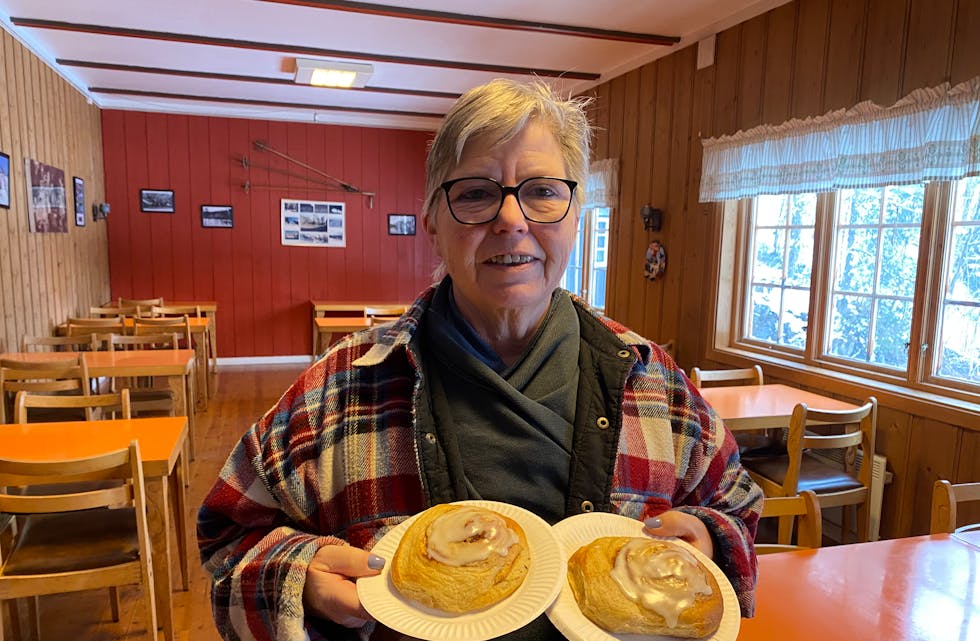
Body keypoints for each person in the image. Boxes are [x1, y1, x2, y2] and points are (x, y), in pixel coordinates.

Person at [198, 78, 763, 641]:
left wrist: (708, 537)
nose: (512, 219)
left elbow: (734, 501)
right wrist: (300, 581)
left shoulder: (652, 379)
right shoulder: (340, 389)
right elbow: (228, 538)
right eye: (474, 193)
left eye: (542, 191)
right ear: (433, 227)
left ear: (575, 216)